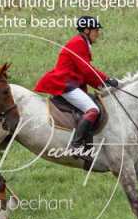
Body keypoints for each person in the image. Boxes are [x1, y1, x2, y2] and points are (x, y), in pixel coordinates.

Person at [34, 16, 119, 152]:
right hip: (65, 83)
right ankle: (76, 145)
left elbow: (85, 73)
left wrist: (103, 84)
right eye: (96, 30)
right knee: (93, 109)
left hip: (72, 83)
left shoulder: (82, 42)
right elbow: (87, 69)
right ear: (86, 30)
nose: (98, 33)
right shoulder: (78, 43)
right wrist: (106, 79)